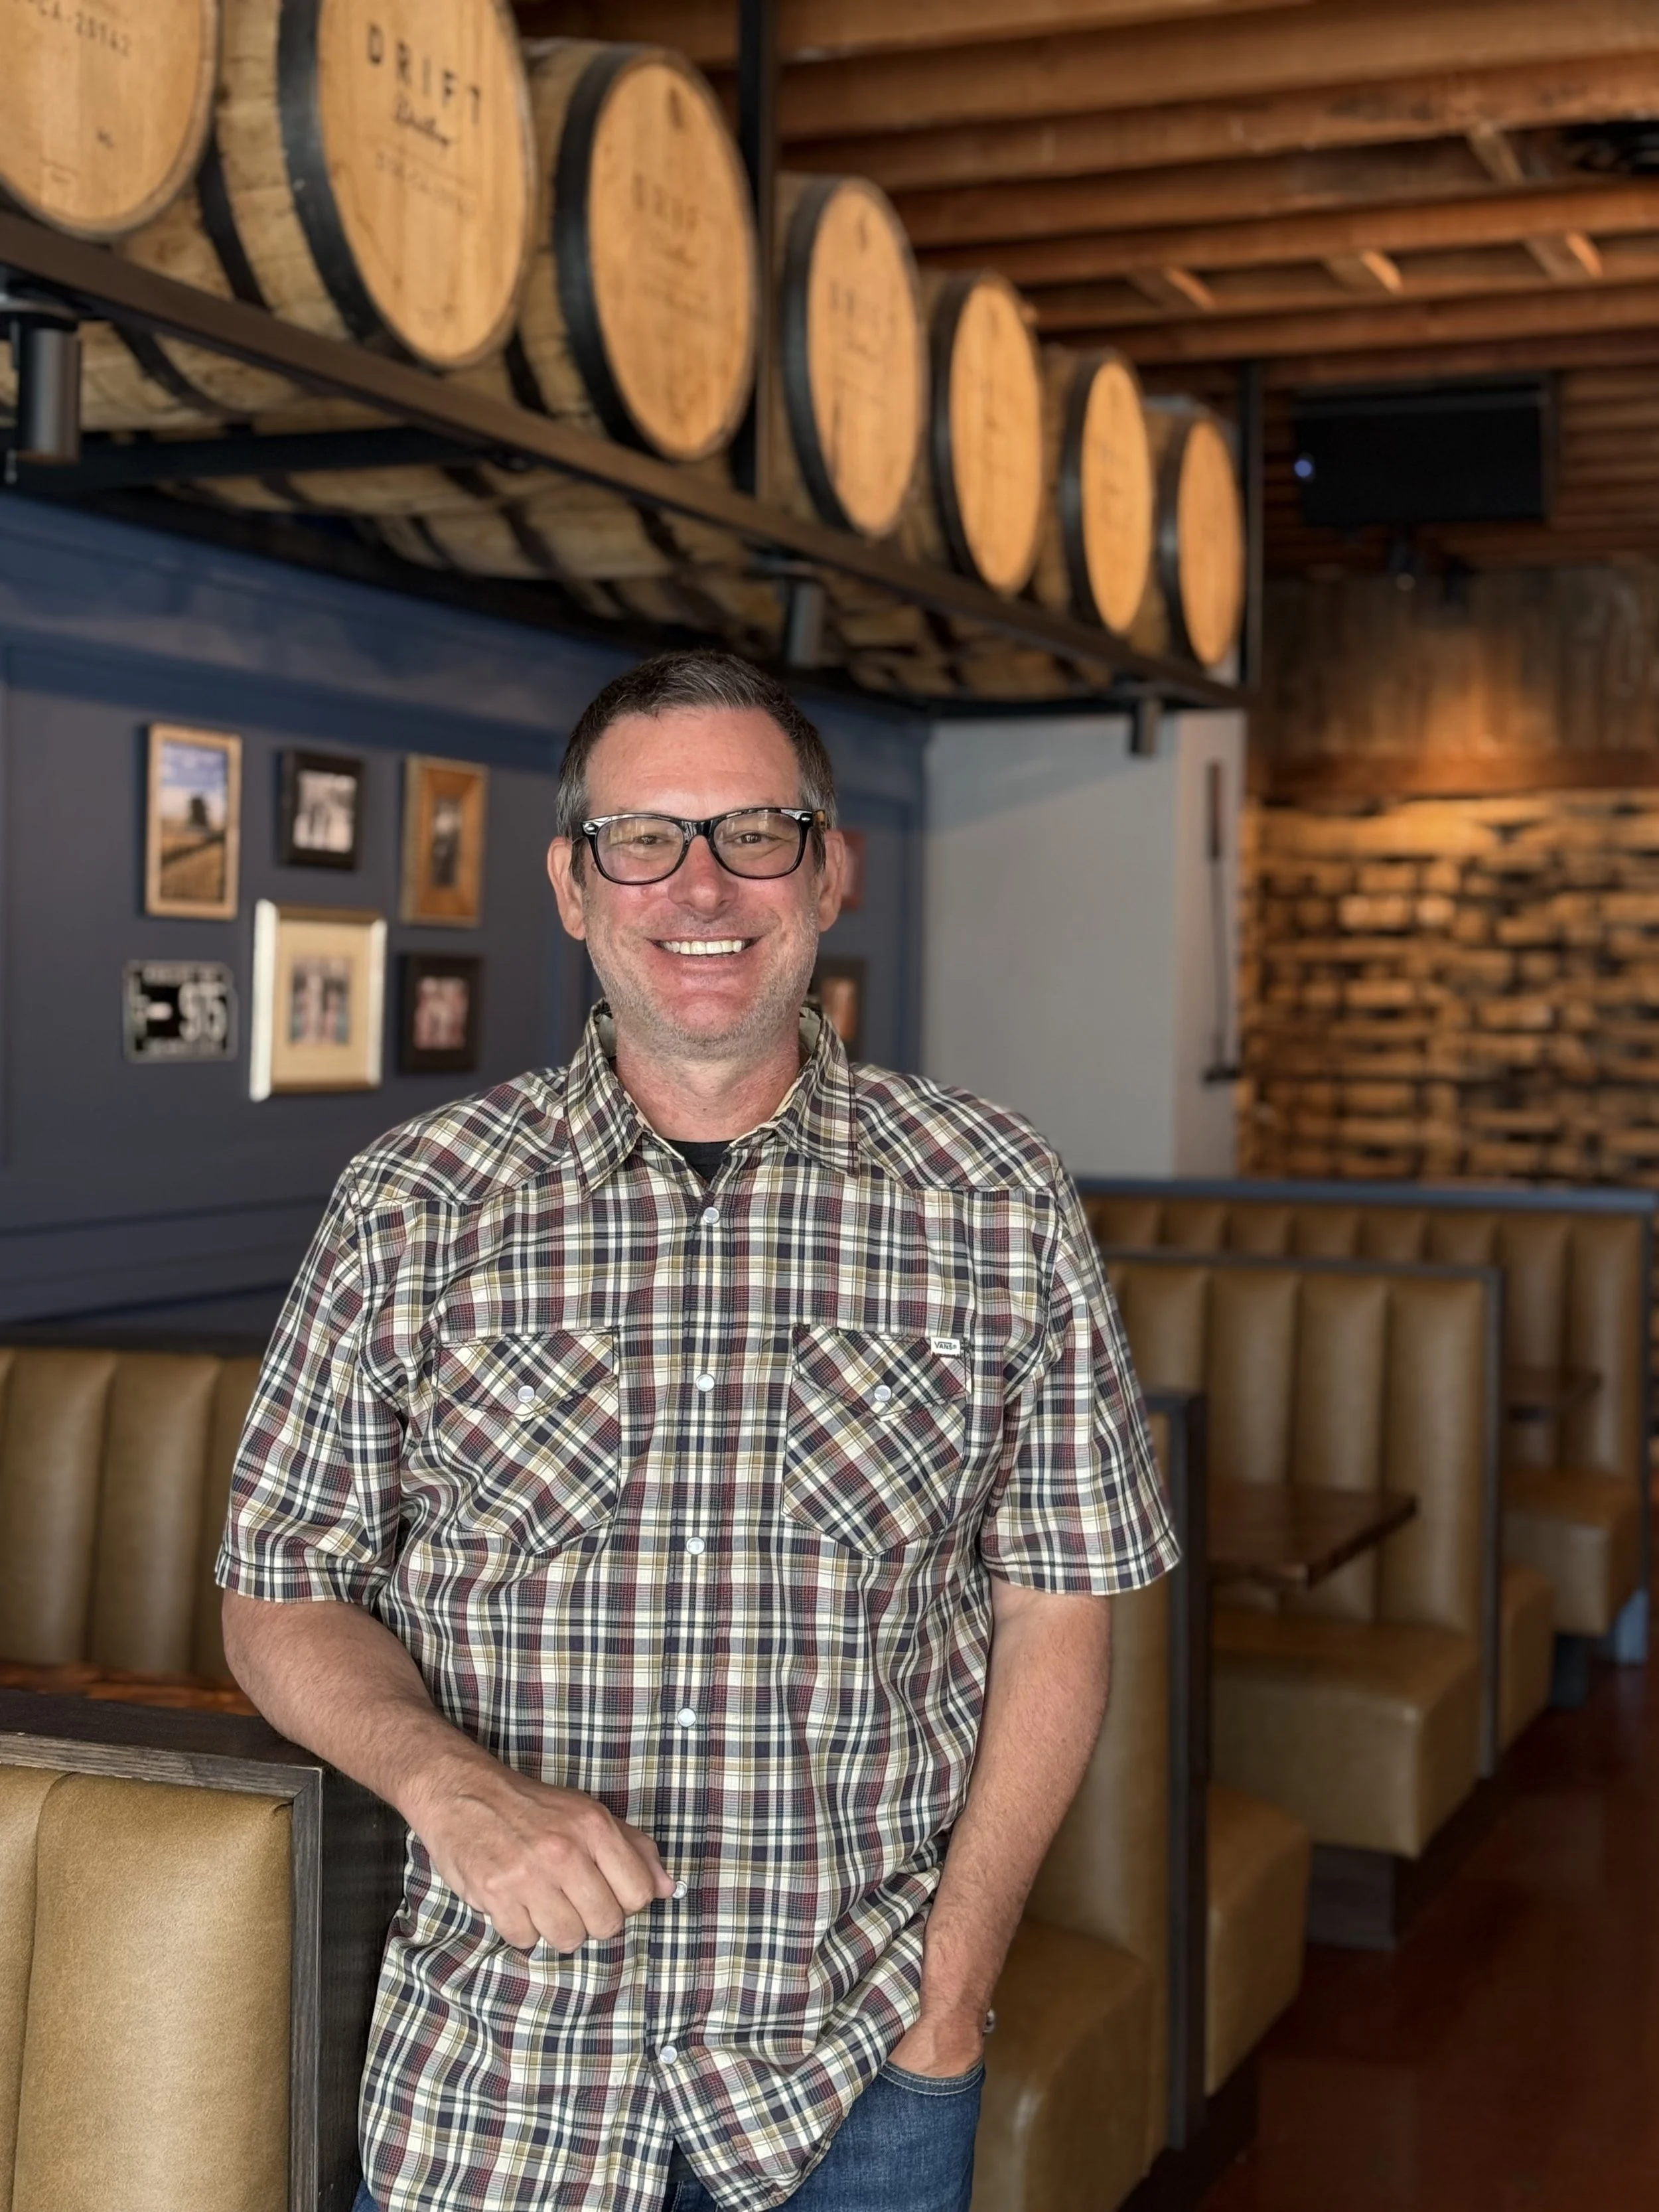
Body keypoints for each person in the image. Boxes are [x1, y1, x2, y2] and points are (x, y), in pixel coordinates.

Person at [218, 650, 1177, 2212]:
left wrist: (951, 1988)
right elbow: (278, 1589)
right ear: (571, 884)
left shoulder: (996, 1198)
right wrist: (448, 1785)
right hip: (498, 2066)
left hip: (851, 2070)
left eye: (755, 831)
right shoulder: (412, 1203)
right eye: (641, 839)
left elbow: (1058, 1607)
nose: (699, 886)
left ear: (830, 867)